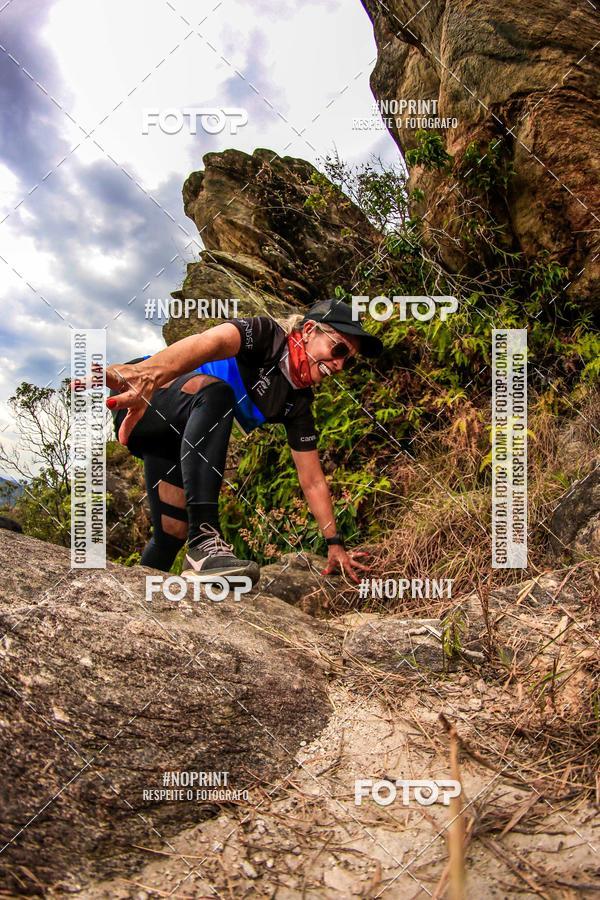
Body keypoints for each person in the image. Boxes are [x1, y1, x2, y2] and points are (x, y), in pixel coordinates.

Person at [105, 298, 383, 586]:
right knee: (217, 394)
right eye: (338, 349)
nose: (339, 365)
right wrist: (147, 373)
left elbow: (312, 480)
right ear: (309, 330)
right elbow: (209, 341)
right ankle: (204, 540)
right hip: (146, 398)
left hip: (176, 438)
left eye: (348, 361)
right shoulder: (267, 336)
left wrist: (334, 543)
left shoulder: (297, 403)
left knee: (171, 532)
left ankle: (136, 600)